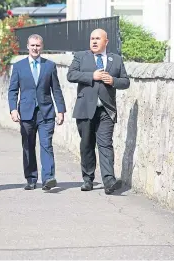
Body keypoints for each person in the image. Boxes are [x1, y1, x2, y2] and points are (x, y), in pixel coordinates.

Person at [67, 28, 130, 195]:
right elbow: (71, 75)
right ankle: (88, 179)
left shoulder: (115, 60)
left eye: (98, 39)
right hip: (85, 109)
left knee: (105, 144)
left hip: (106, 110)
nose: (94, 42)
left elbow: (125, 81)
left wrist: (113, 80)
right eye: (92, 38)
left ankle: (109, 180)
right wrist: (91, 76)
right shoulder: (81, 56)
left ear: (106, 42)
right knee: (87, 144)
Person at [8, 34, 66, 191]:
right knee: (28, 145)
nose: (35, 48)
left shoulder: (49, 66)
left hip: (46, 112)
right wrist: (13, 109)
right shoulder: (19, 66)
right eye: (32, 45)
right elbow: (13, 90)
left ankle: (48, 178)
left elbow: (56, 90)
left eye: (38, 45)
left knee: (46, 144)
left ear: (42, 47)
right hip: (26, 112)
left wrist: (60, 110)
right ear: (27, 46)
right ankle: (31, 178)